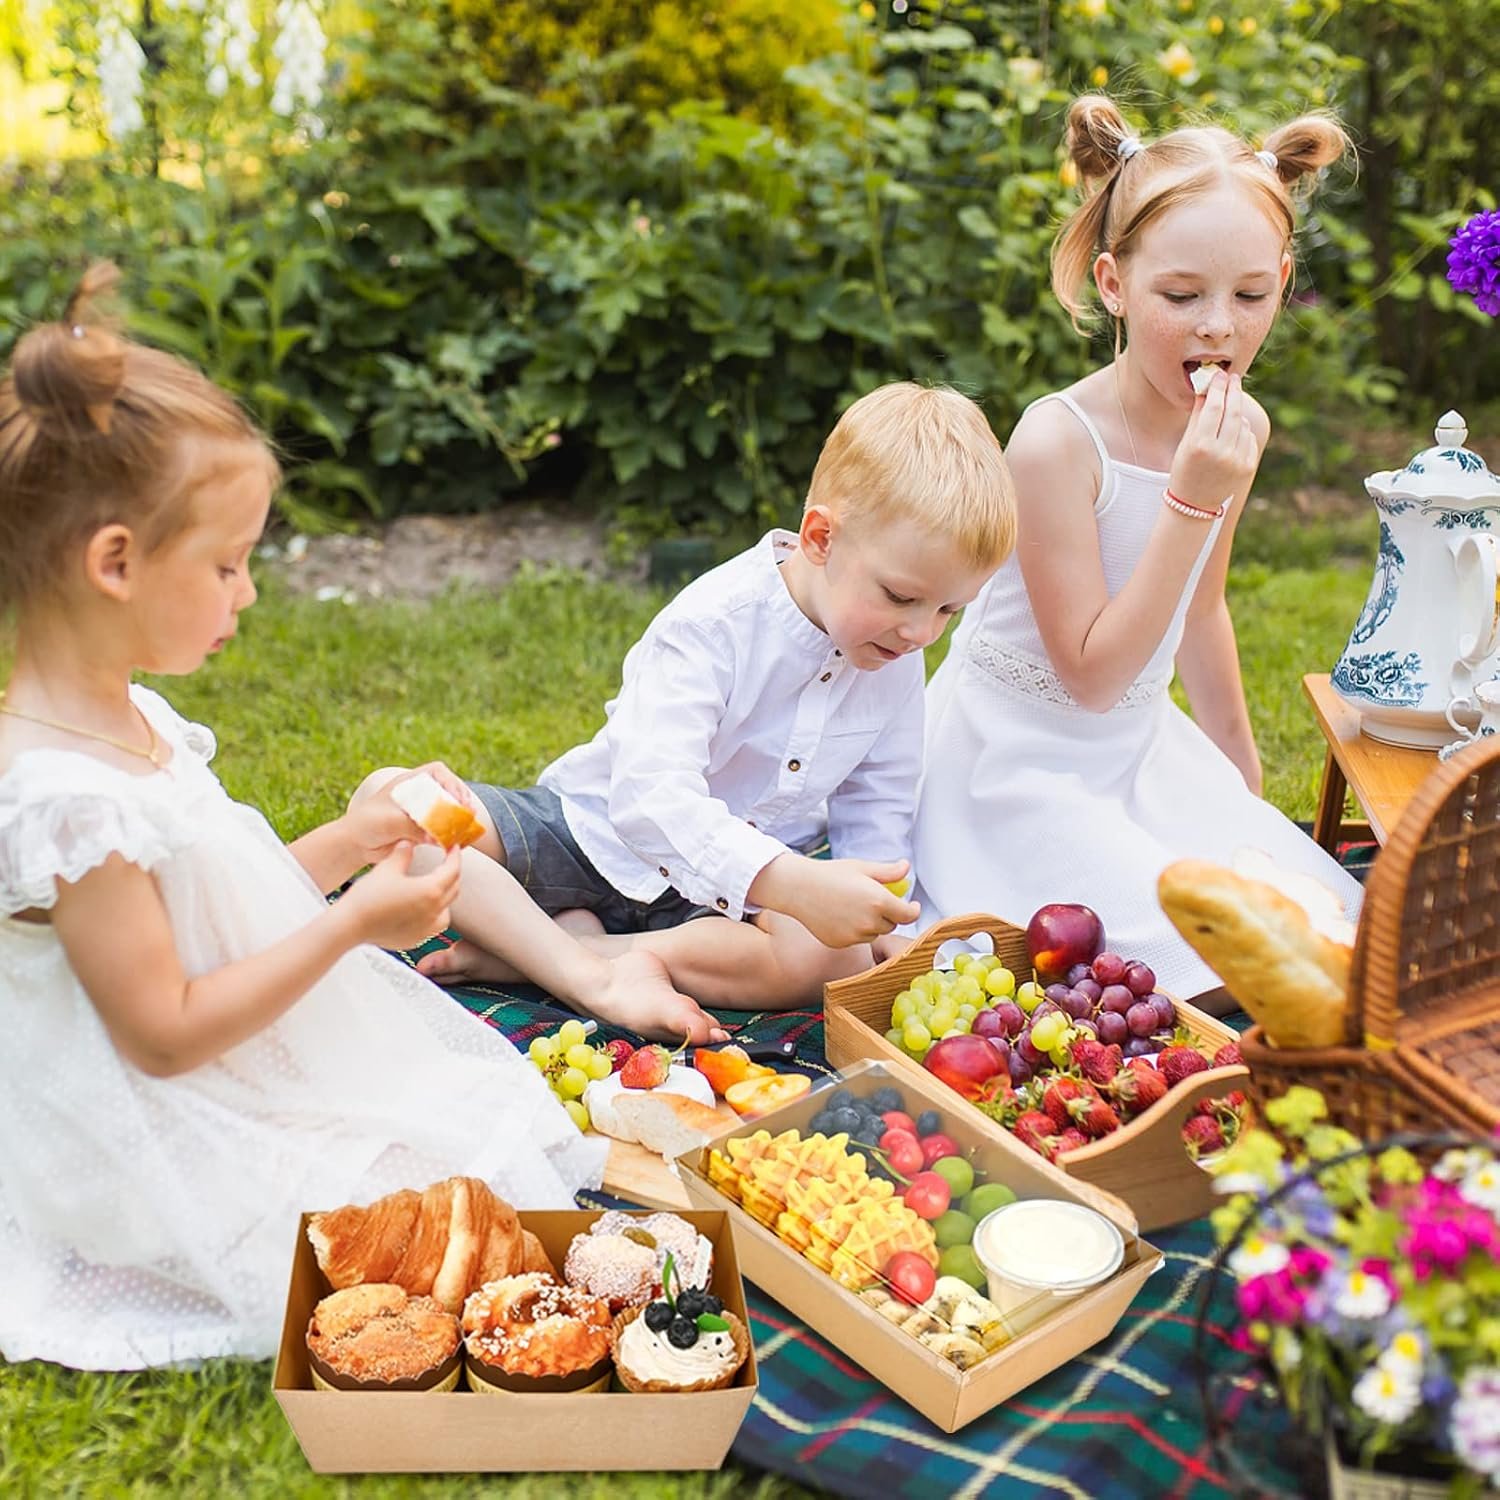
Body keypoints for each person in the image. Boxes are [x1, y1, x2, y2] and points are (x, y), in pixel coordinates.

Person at [0, 265, 612, 1371]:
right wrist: (351, 927)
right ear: (115, 563)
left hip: (220, 1068)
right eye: (227, 565)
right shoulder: (68, 806)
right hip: (140, 1136)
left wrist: (348, 843)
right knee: (406, 1215)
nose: (246, 593)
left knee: (460, 1134)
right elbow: (164, 1031)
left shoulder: (128, 718)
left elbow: (203, 902)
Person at [912, 95, 1363, 1004]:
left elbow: (1202, 607)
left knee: (1328, 927)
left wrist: (1238, 774)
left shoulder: (1238, 428)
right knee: (1184, 963)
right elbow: (1090, 676)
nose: (1218, 327)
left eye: (1250, 296)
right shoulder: (1057, 443)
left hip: (1138, 752)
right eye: (1181, 296)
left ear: (1282, 281)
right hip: (1016, 765)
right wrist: (1190, 500)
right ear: (1114, 285)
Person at [389, 382, 1016, 1010]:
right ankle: (578, 965)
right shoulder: (716, 623)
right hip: (591, 837)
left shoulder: (895, 657)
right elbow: (648, 797)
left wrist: (882, 919)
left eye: (949, 610)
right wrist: (789, 882)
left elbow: (878, 801)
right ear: (820, 538)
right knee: (406, 812)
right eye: (901, 597)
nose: (921, 632)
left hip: (716, 904)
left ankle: (563, 951)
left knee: (834, 959)